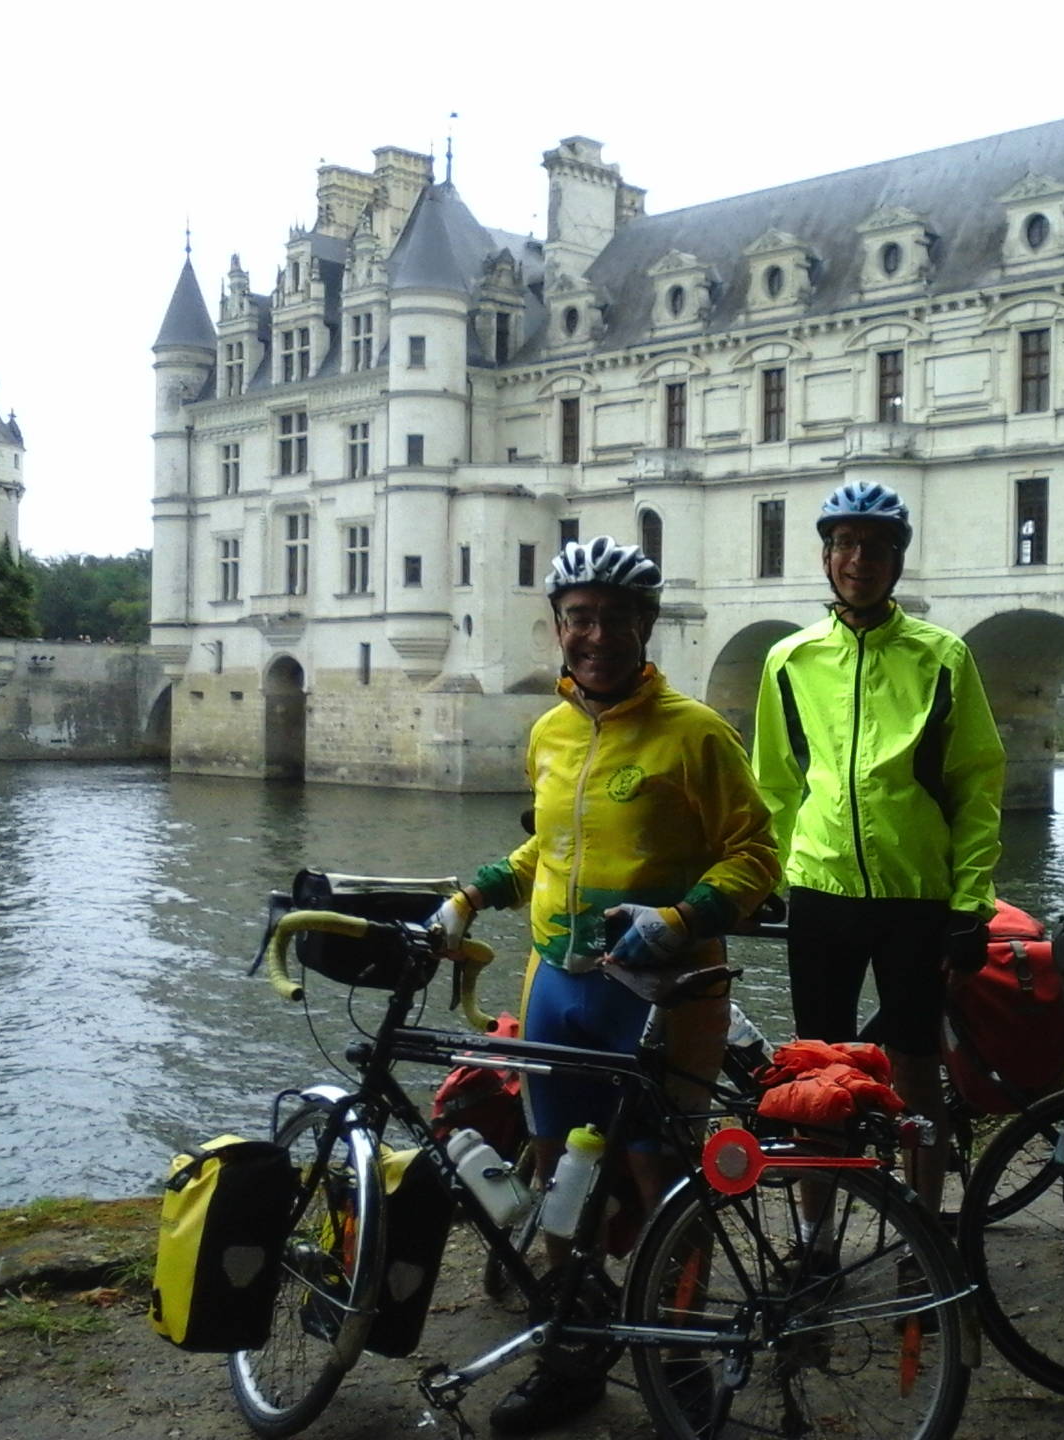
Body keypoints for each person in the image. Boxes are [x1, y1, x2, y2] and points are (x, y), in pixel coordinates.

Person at [428, 535, 778, 1435]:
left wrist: (683, 917)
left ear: (645, 627)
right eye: (578, 619)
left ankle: (682, 1358)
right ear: (558, 628)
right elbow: (548, 849)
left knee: (669, 1184)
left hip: (660, 997)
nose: (594, 635)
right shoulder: (550, 731)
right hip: (560, 988)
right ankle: (573, 1353)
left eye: (614, 619)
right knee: (558, 1179)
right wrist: (473, 893)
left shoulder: (695, 733)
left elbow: (757, 858)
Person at [752, 480, 1005, 1225]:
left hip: (915, 898)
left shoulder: (942, 658)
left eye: (877, 547)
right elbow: (774, 782)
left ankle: (922, 1230)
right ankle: (815, 1234)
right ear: (827, 558)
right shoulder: (788, 660)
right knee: (816, 1077)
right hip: (822, 894)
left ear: (898, 561)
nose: (859, 559)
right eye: (846, 545)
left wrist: (971, 903)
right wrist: (770, 872)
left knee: (917, 1071)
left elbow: (975, 785)